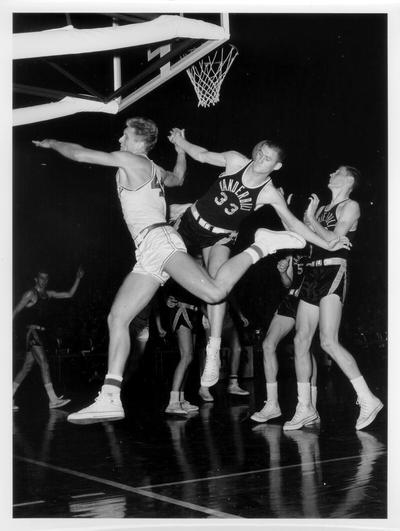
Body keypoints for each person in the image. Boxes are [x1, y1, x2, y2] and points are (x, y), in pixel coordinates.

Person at [33, 117, 307, 422]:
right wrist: (179, 151)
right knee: (118, 317)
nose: (120, 140)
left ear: (139, 141)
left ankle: (261, 246)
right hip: (148, 248)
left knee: (215, 291)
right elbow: (177, 178)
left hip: (158, 240)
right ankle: (110, 396)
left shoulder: (130, 159)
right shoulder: (155, 170)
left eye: (125, 135)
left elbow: (80, 154)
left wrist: (51, 143)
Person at [168, 128, 351, 392]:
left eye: (267, 159)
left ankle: (214, 347)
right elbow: (204, 155)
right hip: (190, 221)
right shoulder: (235, 161)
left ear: (276, 166)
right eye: (259, 153)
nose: (259, 159)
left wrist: (326, 243)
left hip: (218, 237)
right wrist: (180, 142)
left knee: (218, 287)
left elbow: (292, 223)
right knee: (157, 263)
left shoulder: (268, 192)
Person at [283, 166, 383, 431]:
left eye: (336, 172)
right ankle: (305, 408)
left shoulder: (351, 206)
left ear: (348, 180)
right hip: (312, 273)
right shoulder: (321, 208)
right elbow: (300, 236)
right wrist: (286, 209)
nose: (330, 174)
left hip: (333, 270)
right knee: (300, 339)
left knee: (328, 341)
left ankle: (367, 398)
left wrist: (312, 219)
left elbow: (335, 240)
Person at [250, 247, 319, 422]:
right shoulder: (292, 250)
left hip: (311, 298)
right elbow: (288, 283)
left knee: (306, 348)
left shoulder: (318, 247)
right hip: (291, 300)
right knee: (268, 344)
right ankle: (272, 404)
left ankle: (311, 407)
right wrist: (282, 272)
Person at [13, 267, 84, 410]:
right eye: (41, 278)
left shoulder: (48, 294)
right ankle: (53, 400)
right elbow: (15, 311)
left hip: (41, 334)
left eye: (46, 278)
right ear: (36, 279)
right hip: (32, 333)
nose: (44, 281)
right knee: (44, 364)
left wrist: (78, 279)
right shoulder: (30, 294)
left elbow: (69, 294)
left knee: (26, 368)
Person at [199, 296, 251, 402]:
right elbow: (201, 303)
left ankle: (233, 384)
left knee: (237, 349)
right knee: (211, 353)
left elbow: (232, 299)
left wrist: (241, 315)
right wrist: (208, 316)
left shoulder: (226, 282)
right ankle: (204, 388)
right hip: (212, 320)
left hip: (227, 319)